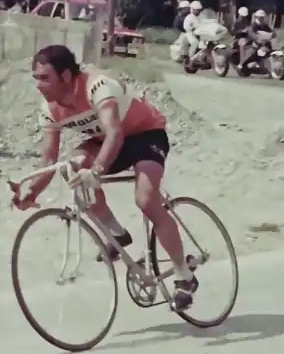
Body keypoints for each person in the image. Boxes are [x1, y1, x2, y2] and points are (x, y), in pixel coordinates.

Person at [10, 45, 199, 312]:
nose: (38, 85)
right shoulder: (50, 109)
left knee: (146, 200)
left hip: (145, 135)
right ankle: (116, 233)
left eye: (44, 78)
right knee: (71, 166)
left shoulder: (97, 87)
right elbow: (49, 161)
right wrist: (31, 191)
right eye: (36, 78)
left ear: (65, 76)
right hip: (107, 143)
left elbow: (115, 133)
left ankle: (183, 276)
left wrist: (96, 170)